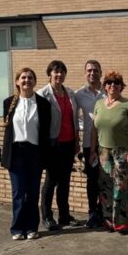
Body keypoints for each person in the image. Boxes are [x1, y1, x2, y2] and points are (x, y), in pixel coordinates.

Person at [1, 67, 51, 240]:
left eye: (30, 78)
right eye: (23, 78)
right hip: (16, 153)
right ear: (17, 81)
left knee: (33, 191)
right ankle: (17, 228)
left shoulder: (43, 104)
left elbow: (45, 132)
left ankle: (31, 228)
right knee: (18, 192)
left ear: (35, 82)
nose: (26, 81)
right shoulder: (9, 103)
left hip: (35, 152)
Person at [89, 71, 128, 234]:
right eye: (109, 83)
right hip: (103, 152)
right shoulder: (99, 104)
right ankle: (108, 220)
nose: (112, 85)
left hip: (122, 152)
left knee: (121, 187)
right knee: (105, 187)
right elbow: (94, 130)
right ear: (104, 86)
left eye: (116, 83)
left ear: (121, 87)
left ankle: (122, 222)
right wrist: (92, 151)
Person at [37, 60, 80, 231]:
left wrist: (77, 140)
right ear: (50, 74)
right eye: (56, 72)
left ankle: (64, 215)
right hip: (53, 144)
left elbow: (74, 119)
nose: (59, 75)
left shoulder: (70, 93)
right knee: (51, 181)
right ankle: (47, 217)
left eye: (62, 72)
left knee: (65, 181)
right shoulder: (42, 94)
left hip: (69, 143)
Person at [75, 59, 105, 228]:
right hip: (89, 145)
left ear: (100, 72)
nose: (92, 73)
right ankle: (92, 212)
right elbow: (73, 118)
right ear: (85, 73)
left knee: (106, 179)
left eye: (95, 70)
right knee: (92, 180)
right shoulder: (79, 94)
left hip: (108, 144)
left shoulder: (108, 90)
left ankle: (104, 210)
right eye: (89, 70)